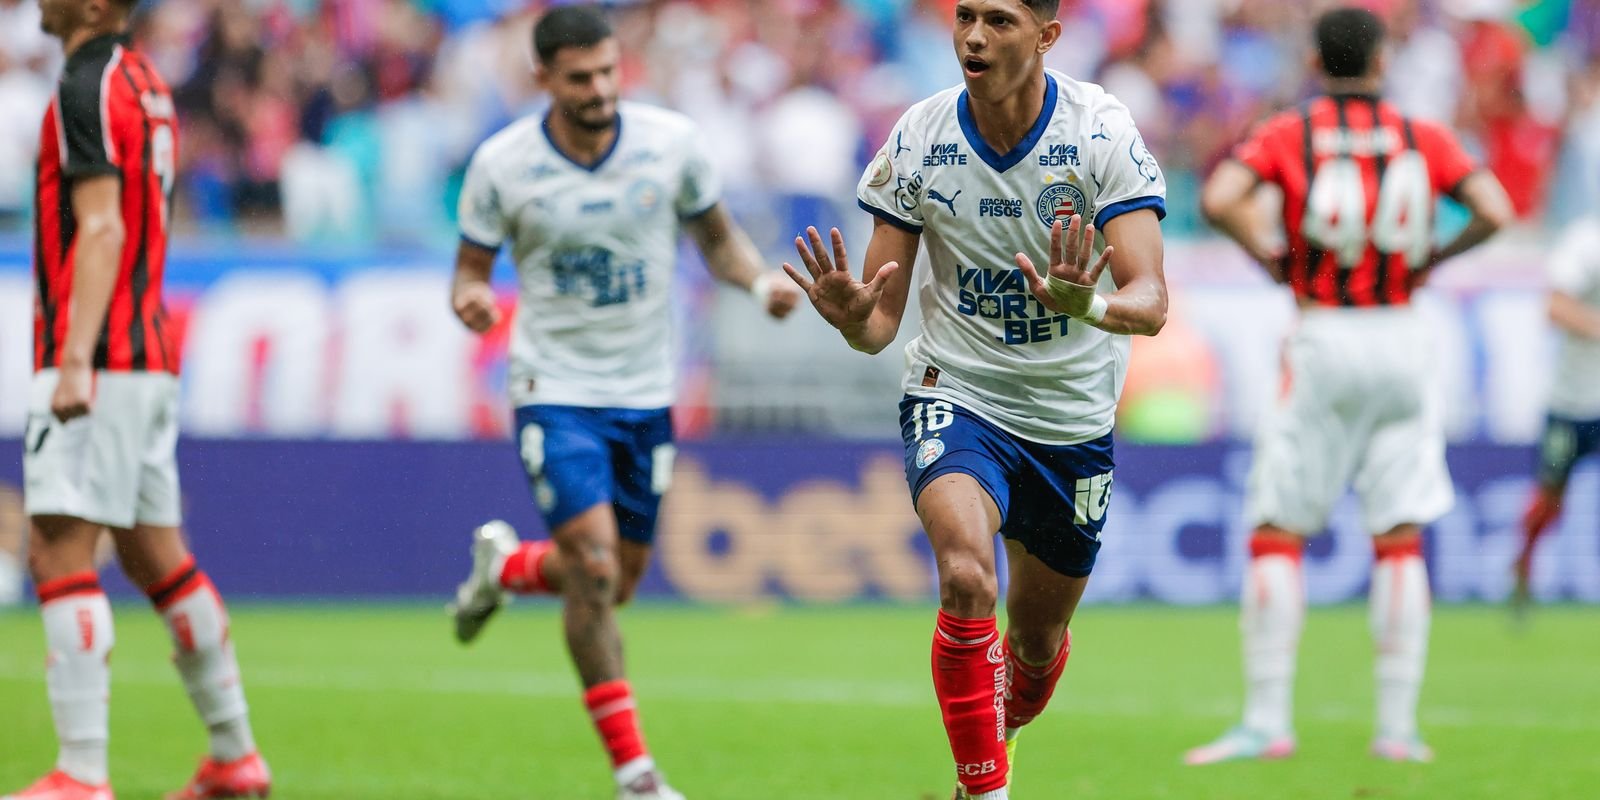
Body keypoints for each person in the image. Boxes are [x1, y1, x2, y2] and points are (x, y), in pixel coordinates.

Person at [783, 1, 1168, 797]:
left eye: (999, 19)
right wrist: (853, 318)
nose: (974, 36)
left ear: (1047, 36)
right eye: (964, 15)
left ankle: (998, 742)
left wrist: (1089, 305)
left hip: (1070, 418)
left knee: (1036, 645)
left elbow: (1152, 301)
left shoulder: (1099, 131)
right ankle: (986, 789)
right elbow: (879, 325)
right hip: (958, 392)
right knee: (966, 578)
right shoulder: (919, 137)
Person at [443, 6, 798, 799]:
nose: (600, 89)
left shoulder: (670, 144)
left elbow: (717, 240)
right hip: (555, 389)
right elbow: (469, 270)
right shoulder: (502, 164)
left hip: (645, 391)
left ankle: (507, 569)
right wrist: (470, 298)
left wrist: (759, 283)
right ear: (543, 77)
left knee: (617, 580)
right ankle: (636, 773)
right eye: (580, 78)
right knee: (596, 564)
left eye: (608, 72)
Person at [1184, 6, 1513, 766]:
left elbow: (1219, 198)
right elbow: (1495, 210)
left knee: (1278, 528)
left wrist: (1270, 256)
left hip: (1324, 330)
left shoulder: (1290, 131)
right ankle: (1397, 729)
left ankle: (1267, 720)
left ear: (1314, 62)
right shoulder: (1422, 135)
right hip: (1402, 335)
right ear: (1382, 61)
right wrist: (1434, 257)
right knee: (1399, 535)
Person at [7, 1, 272, 799]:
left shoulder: (86, 85)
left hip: (100, 357)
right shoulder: (146, 83)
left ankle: (81, 773)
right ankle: (234, 755)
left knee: (57, 548)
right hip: (147, 354)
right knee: (157, 556)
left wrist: (73, 359)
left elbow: (102, 228)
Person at [1514, 215, 1600, 614]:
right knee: (1549, 499)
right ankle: (1524, 565)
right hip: (1573, 404)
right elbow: (1555, 307)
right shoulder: (1586, 242)